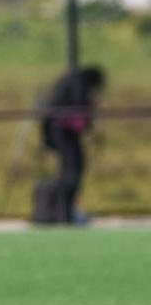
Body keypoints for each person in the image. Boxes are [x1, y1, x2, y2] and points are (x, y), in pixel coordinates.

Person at [36, 66, 104, 224]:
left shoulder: (72, 83)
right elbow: (78, 110)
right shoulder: (77, 86)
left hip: (61, 132)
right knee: (70, 171)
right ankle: (63, 213)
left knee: (72, 169)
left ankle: (67, 212)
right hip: (62, 132)